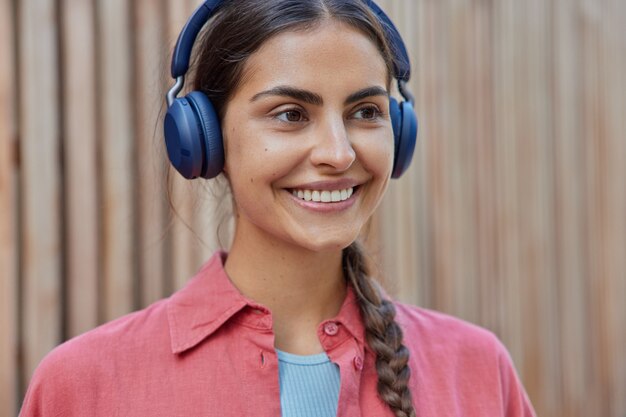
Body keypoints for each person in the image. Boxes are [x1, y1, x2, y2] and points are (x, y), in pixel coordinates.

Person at [20, 1, 537, 416]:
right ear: (204, 138)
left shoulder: (476, 368)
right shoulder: (84, 386)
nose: (339, 152)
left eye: (365, 112)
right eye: (290, 114)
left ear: (399, 135)